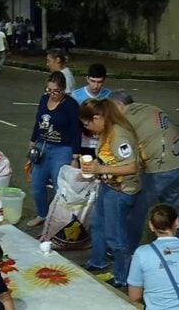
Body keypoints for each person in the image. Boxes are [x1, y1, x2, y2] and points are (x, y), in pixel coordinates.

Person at [110, 90, 179, 244]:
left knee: (138, 209)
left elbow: (129, 152)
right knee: (172, 207)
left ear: (119, 105)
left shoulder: (126, 120)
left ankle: (129, 248)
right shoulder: (152, 108)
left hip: (159, 168)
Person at [79, 98, 140, 288]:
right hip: (109, 186)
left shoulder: (119, 136)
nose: (87, 128)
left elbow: (132, 167)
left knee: (116, 237)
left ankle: (123, 277)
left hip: (120, 191)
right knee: (97, 224)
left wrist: (98, 170)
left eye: (87, 123)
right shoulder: (106, 132)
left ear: (97, 118)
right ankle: (98, 261)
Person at [27, 71, 81, 227]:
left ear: (63, 90)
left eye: (55, 91)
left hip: (62, 149)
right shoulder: (44, 99)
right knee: (37, 185)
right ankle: (42, 214)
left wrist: (75, 157)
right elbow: (39, 121)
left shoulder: (70, 105)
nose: (51, 94)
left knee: (60, 186)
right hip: (42, 146)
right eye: (48, 90)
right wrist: (32, 140)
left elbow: (76, 131)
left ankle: (60, 219)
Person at [72, 63, 111, 158]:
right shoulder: (76, 96)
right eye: (93, 81)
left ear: (104, 80)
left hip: (103, 144)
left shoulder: (109, 96)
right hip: (83, 144)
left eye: (99, 82)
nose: (95, 86)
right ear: (87, 79)